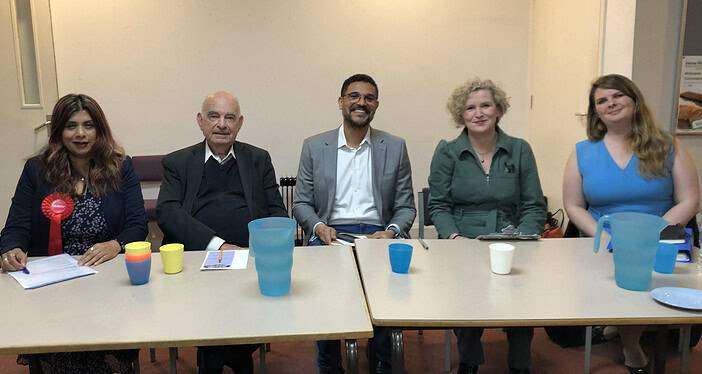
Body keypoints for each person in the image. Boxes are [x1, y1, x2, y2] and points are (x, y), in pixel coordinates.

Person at [0, 93, 148, 373]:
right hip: (54, 282)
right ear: (58, 131)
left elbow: (137, 226)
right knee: (60, 350)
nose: (80, 134)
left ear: (100, 130)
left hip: (107, 278)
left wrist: (116, 244)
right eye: (71, 126)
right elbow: (16, 226)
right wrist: (12, 248)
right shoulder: (36, 170)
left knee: (104, 350)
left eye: (88, 125)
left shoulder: (120, 167)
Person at [563, 74, 700, 374]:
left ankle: (627, 337)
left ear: (635, 101)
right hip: (602, 238)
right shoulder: (582, 151)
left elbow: (690, 200)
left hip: (658, 236)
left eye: (617, 96)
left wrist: (648, 235)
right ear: (595, 111)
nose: (610, 103)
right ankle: (627, 336)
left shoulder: (667, 145)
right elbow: (572, 205)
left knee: (640, 277)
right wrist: (606, 236)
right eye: (601, 100)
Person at [156, 91, 287, 374]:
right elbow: (167, 212)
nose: (222, 124)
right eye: (214, 116)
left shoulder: (258, 159)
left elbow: (277, 211)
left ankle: (219, 356)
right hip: (197, 258)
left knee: (247, 302)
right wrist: (219, 245)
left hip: (249, 258)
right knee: (210, 307)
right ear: (200, 121)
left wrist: (263, 248)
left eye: (230, 118)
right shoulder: (178, 162)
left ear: (240, 123)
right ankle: (234, 357)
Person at [293, 73, 416, 374]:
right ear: (341, 101)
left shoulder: (395, 146)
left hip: (378, 236)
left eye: (369, 97)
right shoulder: (314, 146)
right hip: (330, 235)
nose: (361, 102)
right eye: (354, 96)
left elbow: (405, 207)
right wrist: (319, 227)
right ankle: (329, 365)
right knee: (327, 305)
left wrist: (390, 232)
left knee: (386, 305)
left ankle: (382, 363)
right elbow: (301, 203)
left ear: (376, 105)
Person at [428, 78, 546, 374]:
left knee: (521, 304)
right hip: (463, 240)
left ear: (498, 110)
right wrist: (453, 237)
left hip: (513, 238)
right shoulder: (447, 152)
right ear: (461, 115)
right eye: (470, 108)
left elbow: (534, 204)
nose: (478, 113)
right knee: (466, 304)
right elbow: (439, 205)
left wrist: (525, 238)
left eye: (485, 105)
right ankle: (469, 361)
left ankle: (520, 364)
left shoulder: (520, 149)